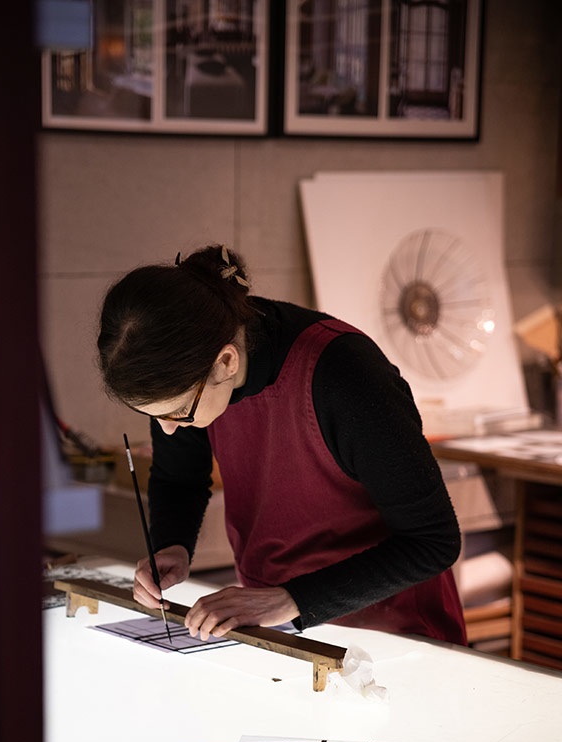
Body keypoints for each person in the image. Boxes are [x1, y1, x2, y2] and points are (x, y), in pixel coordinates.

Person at [97, 244, 467, 646]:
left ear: (226, 362)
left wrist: (291, 599)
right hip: (277, 625)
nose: (167, 430)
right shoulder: (192, 366)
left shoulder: (347, 376)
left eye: (179, 414)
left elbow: (433, 540)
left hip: (396, 631)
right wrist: (172, 543)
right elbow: (178, 475)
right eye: (153, 416)